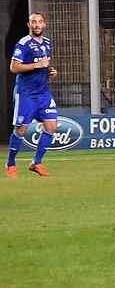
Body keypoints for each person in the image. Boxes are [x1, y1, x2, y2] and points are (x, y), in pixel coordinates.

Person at [5, 12, 58, 178]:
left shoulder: (47, 43)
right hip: (26, 94)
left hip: (43, 93)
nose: (37, 25)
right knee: (21, 130)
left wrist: (51, 72)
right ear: (29, 25)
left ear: (44, 24)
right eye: (34, 22)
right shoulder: (23, 44)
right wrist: (36, 65)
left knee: (51, 126)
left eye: (40, 22)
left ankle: (36, 163)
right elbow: (14, 67)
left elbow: (44, 65)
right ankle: (10, 163)